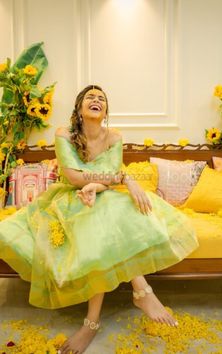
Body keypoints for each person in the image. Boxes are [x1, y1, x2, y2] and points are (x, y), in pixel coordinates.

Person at [0, 85, 199, 354]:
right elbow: (73, 177)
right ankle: (142, 291)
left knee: (114, 214)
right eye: (90, 97)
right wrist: (121, 180)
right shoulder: (65, 134)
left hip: (100, 196)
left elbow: (109, 174)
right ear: (79, 108)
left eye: (102, 99)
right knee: (98, 222)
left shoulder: (114, 136)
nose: (96, 100)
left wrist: (97, 186)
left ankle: (95, 320)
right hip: (68, 199)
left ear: (105, 111)